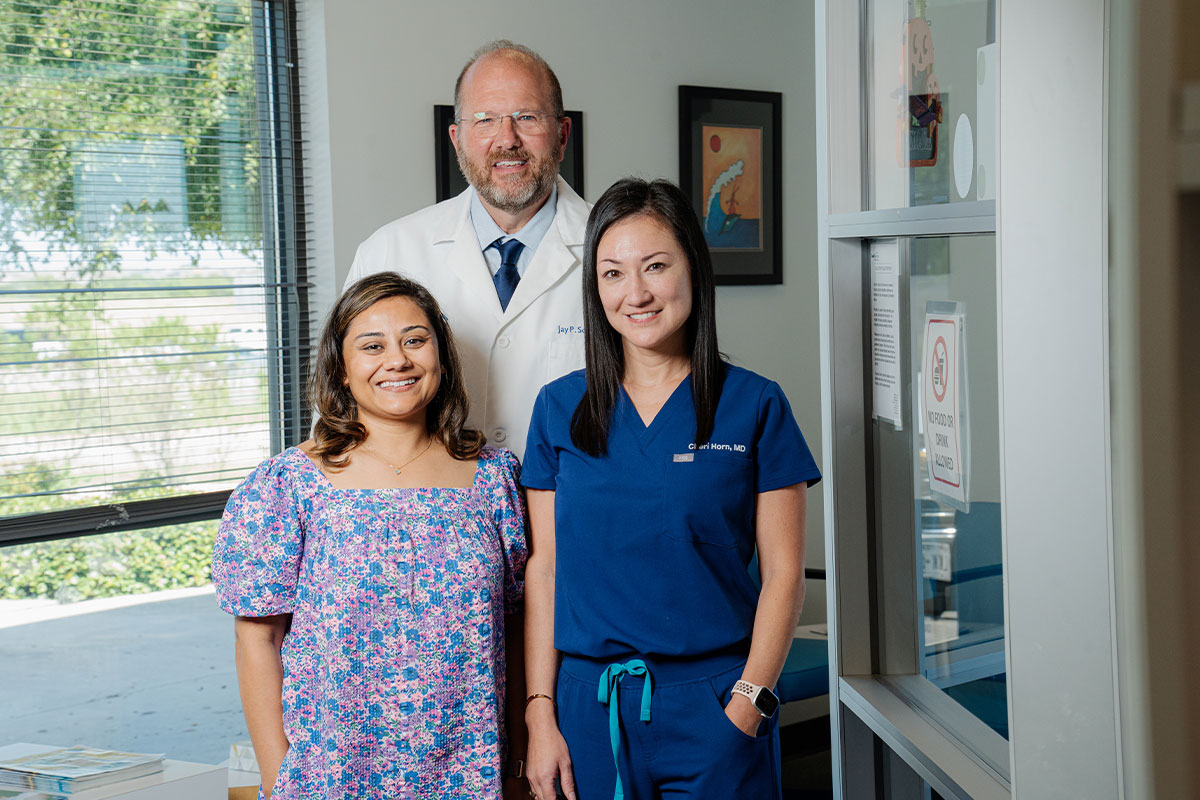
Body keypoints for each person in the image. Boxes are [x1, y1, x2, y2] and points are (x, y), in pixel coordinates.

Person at [521, 178, 821, 800]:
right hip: (587, 708)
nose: (635, 293)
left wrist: (750, 701)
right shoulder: (558, 409)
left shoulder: (754, 405)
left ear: (694, 269)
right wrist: (540, 712)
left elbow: (784, 575)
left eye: (656, 266)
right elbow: (545, 570)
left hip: (717, 702)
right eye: (612, 273)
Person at [212, 274, 529, 800]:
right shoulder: (289, 484)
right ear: (341, 367)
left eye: (415, 340)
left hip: (471, 775)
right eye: (372, 346)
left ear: (442, 356)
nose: (397, 360)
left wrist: (517, 761)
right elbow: (257, 638)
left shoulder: (495, 480)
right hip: (331, 777)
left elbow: (518, 628)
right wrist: (278, 777)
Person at [345, 40, 589, 458]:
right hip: (433, 515)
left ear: (562, 134)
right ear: (457, 139)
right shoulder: (388, 251)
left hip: (572, 514)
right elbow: (341, 410)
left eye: (526, 117)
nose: (506, 139)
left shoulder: (616, 251)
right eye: (485, 120)